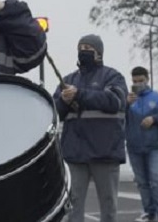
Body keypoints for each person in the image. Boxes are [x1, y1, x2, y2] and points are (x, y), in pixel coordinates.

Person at [53, 34, 127, 222]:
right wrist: (63, 101)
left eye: (88, 48)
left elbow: (114, 102)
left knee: (108, 205)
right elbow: (54, 113)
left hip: (105, 152)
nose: (83, 51)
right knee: (72, 204)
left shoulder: (113, 76)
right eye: (80, 47)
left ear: (99, 53)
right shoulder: (68, 80)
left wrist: (79, 95)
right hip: (75, 153)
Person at [125, 67, 158, 222]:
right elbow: (118, 116)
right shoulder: (127, 99)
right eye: (135, 81)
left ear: (147, 79)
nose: (138, 84)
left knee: (157, 179)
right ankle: (148, 211)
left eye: (141, 81)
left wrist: (154, 119)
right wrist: (125, 104)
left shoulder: (157, 98)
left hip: (153, 146)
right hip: (133, 147)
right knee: (142, 182)